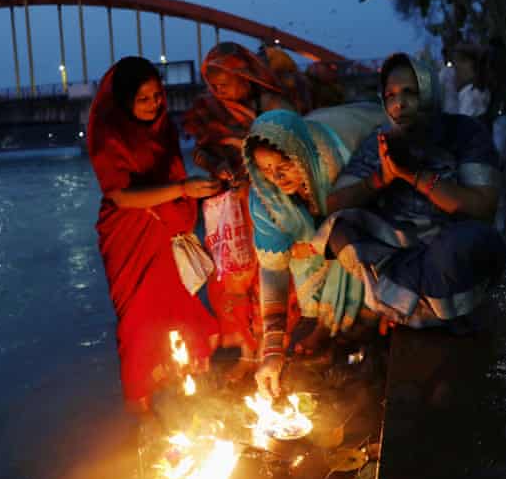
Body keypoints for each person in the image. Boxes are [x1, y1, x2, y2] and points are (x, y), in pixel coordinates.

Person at [312, 52, 506, 333]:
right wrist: (380, 179)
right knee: (340, 230)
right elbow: (333, 204)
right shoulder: (380, 141)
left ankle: (428, 310)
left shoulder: (464, 133)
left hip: (448, 246)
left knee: (467, 245)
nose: (399, 104)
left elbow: (483, 206)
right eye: (390, 96)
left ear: (430, 91)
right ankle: (413, 308)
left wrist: (415, 177)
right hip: (399, 252)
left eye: (410, 93)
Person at [88, 56, 221, 413]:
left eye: (157, 96)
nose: (154, 105)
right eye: (143, 99)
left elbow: (173, 173)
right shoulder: (108, 136)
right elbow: (121, 196)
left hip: (166, 234)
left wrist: (199, 187)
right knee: (138, 322)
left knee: (179, 307)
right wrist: (182, 189)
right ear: (124, 102)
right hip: (130, 236)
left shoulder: (163, 128)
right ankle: (143, 409)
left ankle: (186, 387)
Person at [244, 105, 384, 399]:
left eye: (285, 164)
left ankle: (363, 322)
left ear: (302, 153)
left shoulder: (345, 167)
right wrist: (272, 347)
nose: (277, 177)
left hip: (364, 138)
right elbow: (273, 267)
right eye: (266, 169)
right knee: (302, 241)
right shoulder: (265, 198)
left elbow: (373, 226)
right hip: (316, 251)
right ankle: (324, 321)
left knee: (345, 235)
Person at [182, 42, 297, 381]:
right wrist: (218, 165)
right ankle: (246, 353)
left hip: (273, 201)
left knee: (275, 274)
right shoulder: (209, 110)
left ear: (244, 76)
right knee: (232, 280)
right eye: (213, 84)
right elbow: (200, 153)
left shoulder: (274, 106)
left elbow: (296, 147)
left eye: (224, 83)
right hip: (233, 206)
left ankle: (277, 353)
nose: (218, 90)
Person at [446, 43, 491, 120]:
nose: (456, 66)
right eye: (454, 61)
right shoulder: (467, 92)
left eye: (462, 60)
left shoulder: (471, 95)